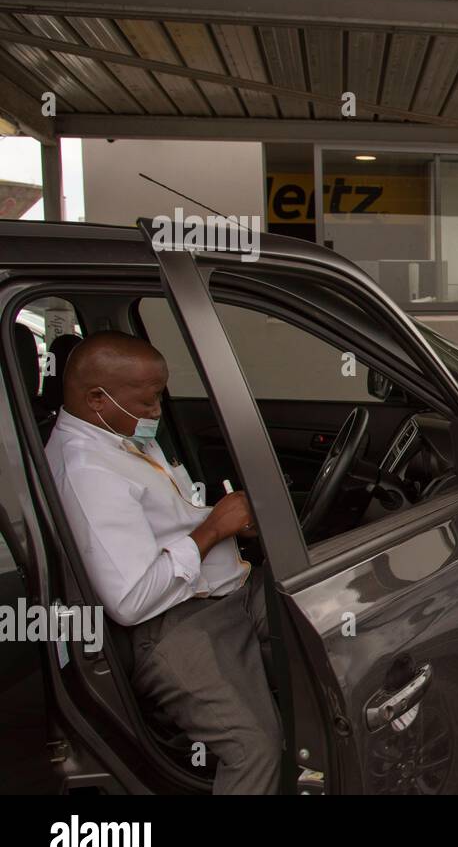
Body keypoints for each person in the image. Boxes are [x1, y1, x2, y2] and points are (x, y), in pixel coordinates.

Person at [44, 331, 282, 794]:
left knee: (332, 620)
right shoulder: (88, 471)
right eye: (150, 400)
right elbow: (132, 601)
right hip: (173, 623)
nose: (157, 411)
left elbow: (166, 527)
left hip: (228, 590)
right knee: (254, 748)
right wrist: (213, 528)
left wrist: (224, 521)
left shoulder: (119, 431)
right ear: (97, 397)